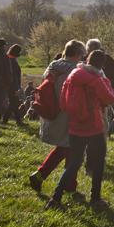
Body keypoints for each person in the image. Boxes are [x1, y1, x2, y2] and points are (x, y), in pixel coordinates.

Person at [46, 50, 114, 210]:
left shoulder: (73, 75)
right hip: (94, 126)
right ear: (101, 64)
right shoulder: (97, 79)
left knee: (74, 163)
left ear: (87, 60)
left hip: (75, 126)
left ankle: (55, 198)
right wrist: (105, 81)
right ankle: (95, 198)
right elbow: (110, 98)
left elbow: (63, 103)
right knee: (98, 163)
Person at [29, 40, 85, 194]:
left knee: (67, 148)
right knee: (70, 148)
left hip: (52, 110)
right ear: (77, 54)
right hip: (68, 114)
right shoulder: (75, 71)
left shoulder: (53, 66)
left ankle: (68, 184)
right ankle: (43, 176)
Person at [2, 44, 24, 125]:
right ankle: (15, 120)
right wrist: (17, 88)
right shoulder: (12, 61)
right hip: (12, 86)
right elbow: (15, 76)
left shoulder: (8, 59)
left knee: (13, 103)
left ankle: (10, 120)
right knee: (14, 103)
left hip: (9, 85)